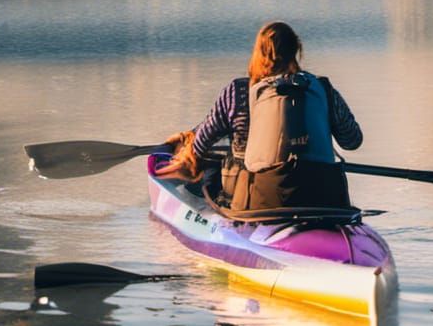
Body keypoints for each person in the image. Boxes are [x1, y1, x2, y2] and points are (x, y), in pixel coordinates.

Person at [155, 21, 363, 212]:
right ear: (297, 50)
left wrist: (186, 141)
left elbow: (200, 145)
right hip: (323, 195)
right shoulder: (322, 90)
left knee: (211, 168)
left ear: (257, 53)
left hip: (259, 200)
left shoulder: (238, 91)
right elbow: (352, 141)